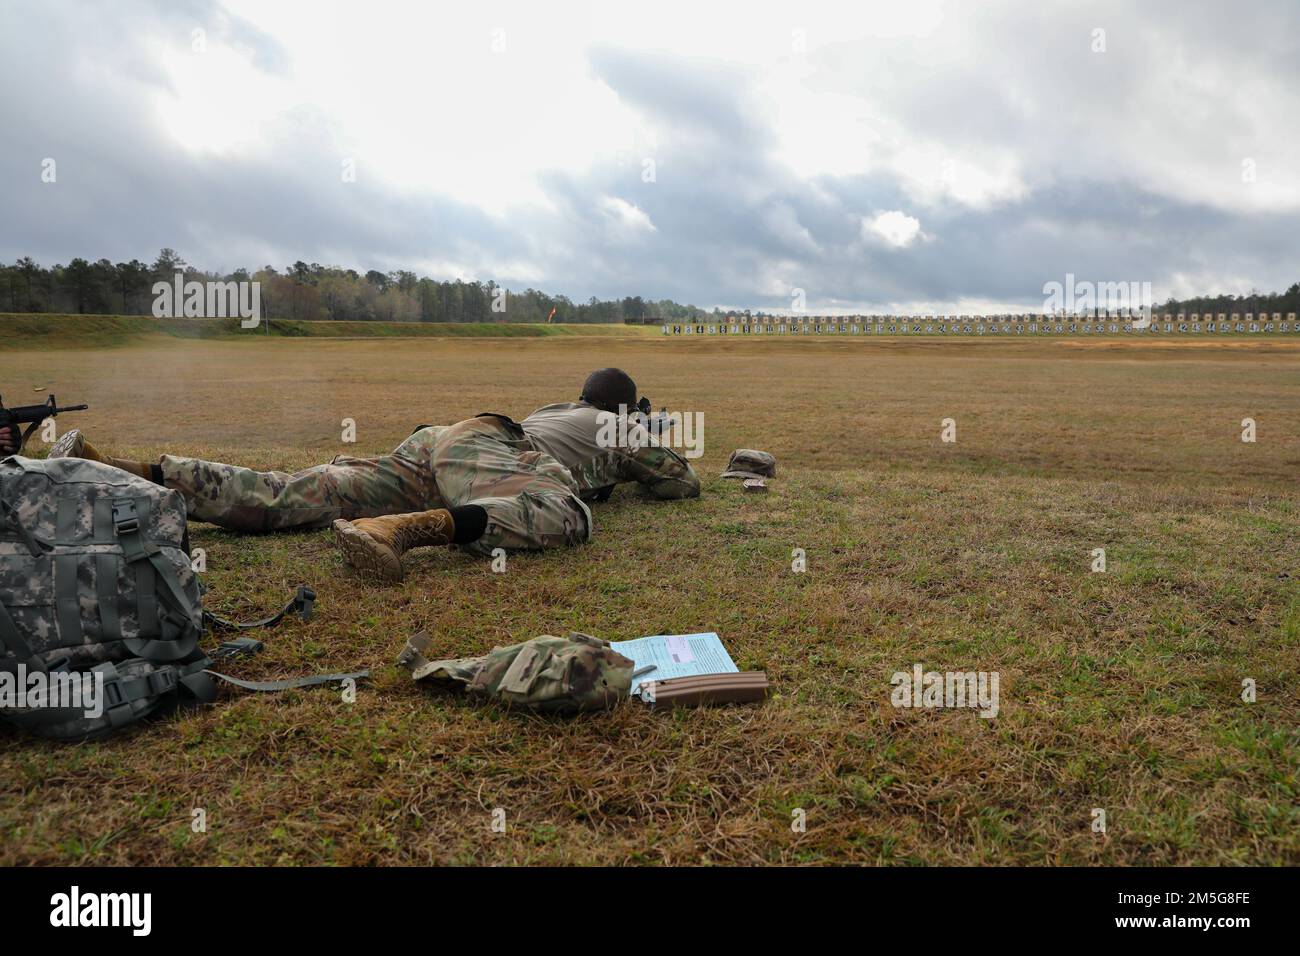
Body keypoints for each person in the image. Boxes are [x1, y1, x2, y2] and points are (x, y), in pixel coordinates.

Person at [22, 368, 699, 582]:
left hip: (444, 445)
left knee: (294, 490)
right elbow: (678, 481)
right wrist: (645, 437)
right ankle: (397, 531)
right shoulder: (622, 427)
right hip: (488, 456)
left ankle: (109, 470)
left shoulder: (559, 409)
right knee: (570, 515)